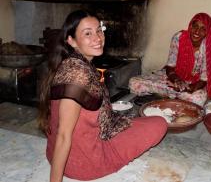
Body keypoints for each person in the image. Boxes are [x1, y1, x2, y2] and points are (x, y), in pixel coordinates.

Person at [38, 10, 167, 182]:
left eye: (99, 30)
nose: (98, 38)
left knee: (137, 120)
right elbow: (63, 134)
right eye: (88, 33)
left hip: (65, 152)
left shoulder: (72, 63)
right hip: (86, 161)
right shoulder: (77, 75)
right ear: (71, 41)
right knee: (158, 123)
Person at [129, 12, 211, 106]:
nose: (197, 32)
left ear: (207, 32)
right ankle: (174, 98)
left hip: (194, 82)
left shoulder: (207, 48)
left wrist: (189, 88)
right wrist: (176, 81)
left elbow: (203, 80)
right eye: (195, 26)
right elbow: (170, 66)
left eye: (203, 29)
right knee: (134, 82)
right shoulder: (178, 38)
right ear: (190, 26)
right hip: (173, 77)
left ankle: (163, 96)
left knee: (197, 99)